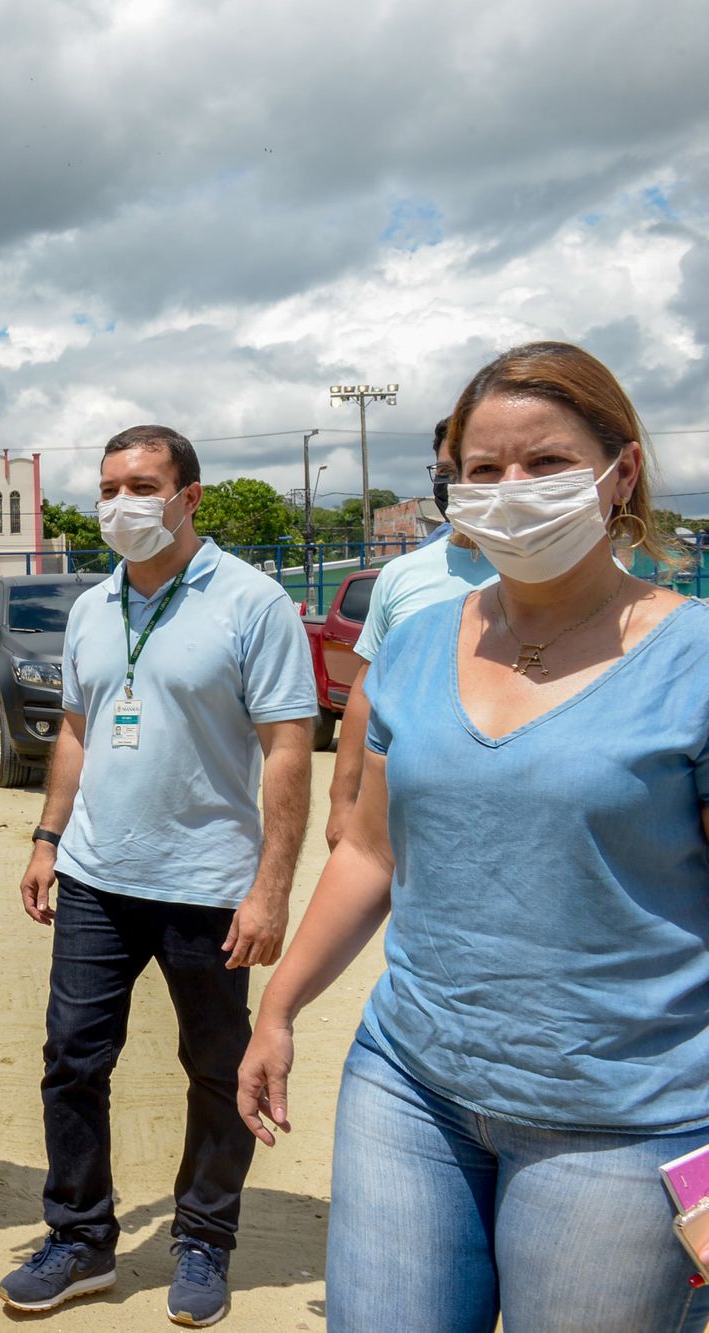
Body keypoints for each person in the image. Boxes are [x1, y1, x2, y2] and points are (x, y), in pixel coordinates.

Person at [237, 341, 709, 1333]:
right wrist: (277, 1007)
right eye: (479, 470)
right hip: (407, 1085)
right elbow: (369, 850)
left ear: (618, 472)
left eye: (543, 463)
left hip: (624, 1121)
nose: (508, 490)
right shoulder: (415, 642)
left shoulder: (691, 660)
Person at [1, 426, 315, 1325]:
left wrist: (271, 886)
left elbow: (288, 748)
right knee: (71, 1059)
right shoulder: (94, 604)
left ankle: (205, 1239)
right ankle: (80, 1237)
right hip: (98, 877)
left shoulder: (254, 603)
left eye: (141, 484)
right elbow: (75, 729)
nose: (120, 502)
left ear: (191, 497)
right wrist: (47, 836)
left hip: (209, 884)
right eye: (108, 487)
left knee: (217, 1068)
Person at [323, 418, 496, 848]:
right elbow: (366, 690)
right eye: (444, 473)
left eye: (476, 469)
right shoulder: (402, 575)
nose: (455, 484)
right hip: (414, 814)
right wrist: (343, 802)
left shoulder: (577, 577)